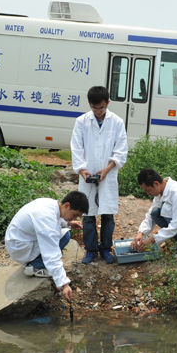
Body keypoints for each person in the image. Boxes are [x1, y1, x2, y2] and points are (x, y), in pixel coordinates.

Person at [71, 85, 128, 265]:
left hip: (108, 175)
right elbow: (76, 148)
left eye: (101, 108)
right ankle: (91, 250)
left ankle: (105, 248)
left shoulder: (117, 122)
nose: (98, 112)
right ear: (89, 104)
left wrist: (108, 168)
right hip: (87, 175)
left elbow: (120, 150)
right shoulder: (81, 121)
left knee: (107, 214)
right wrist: (82, 170)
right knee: (88, 214)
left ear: (108, 103)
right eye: (94, 108)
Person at [4, 191, 87, 302]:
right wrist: (64, 284)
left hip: (19, 239)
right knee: (57, 242)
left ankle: (36, 261)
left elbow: (57, 218)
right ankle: (34, 266)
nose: (74, 218)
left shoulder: (52, 204)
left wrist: (68, 223)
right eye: (75, 215)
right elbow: (51, 254)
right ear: (67, 205)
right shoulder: (46, 219)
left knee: (65, 235)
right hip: (19, 246)